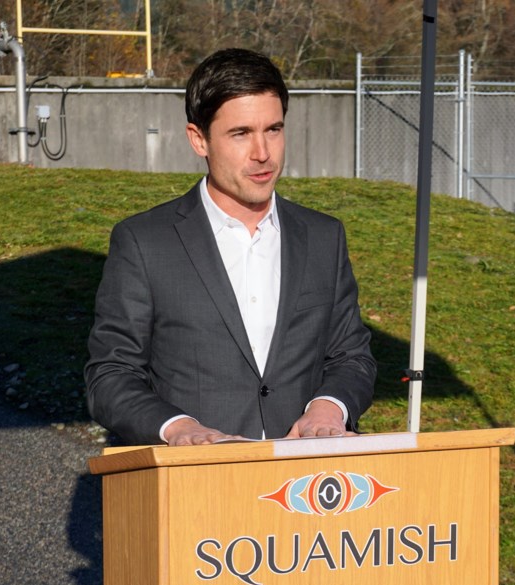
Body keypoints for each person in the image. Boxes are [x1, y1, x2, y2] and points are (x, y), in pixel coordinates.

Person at [85, 48, 377, 446]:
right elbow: (111, 375)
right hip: (195, 485)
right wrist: (180, 428)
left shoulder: (323, 236)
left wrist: (328, 407)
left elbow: (351, 356)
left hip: (306, 481)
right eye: (241, 133)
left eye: (273, 130)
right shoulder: (144, 242)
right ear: (198, 139)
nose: (262, 153)